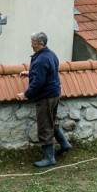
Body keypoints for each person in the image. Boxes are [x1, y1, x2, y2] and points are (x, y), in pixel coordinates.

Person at [18, 31, 72, 168]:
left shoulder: (41, 59)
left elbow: (38, 82)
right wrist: (30, 73)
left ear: (40, 43)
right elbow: (47, 72)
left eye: (33, 42)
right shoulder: (50, 54)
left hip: (46, 97)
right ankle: (64, 144)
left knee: (45, 126)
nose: (31, 44)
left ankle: (49, 158)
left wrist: (26, 94)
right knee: (51, 121)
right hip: (54, 93)